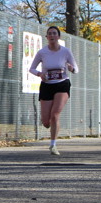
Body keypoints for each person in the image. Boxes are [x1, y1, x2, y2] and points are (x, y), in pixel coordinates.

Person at [29, 27, 78, 155]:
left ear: (59, 37)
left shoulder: (65, 51)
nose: (52, 36)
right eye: (49, 34)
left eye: (54, 33)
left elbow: (76, 69)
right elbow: (32, 68)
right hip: (47, 85)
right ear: (47, 37)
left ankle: (53, 145)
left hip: (62, 84)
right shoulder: (42, 52)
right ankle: (51, 127)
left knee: (55, 115)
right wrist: (40, 74)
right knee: (46, 122)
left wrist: (71, 68)